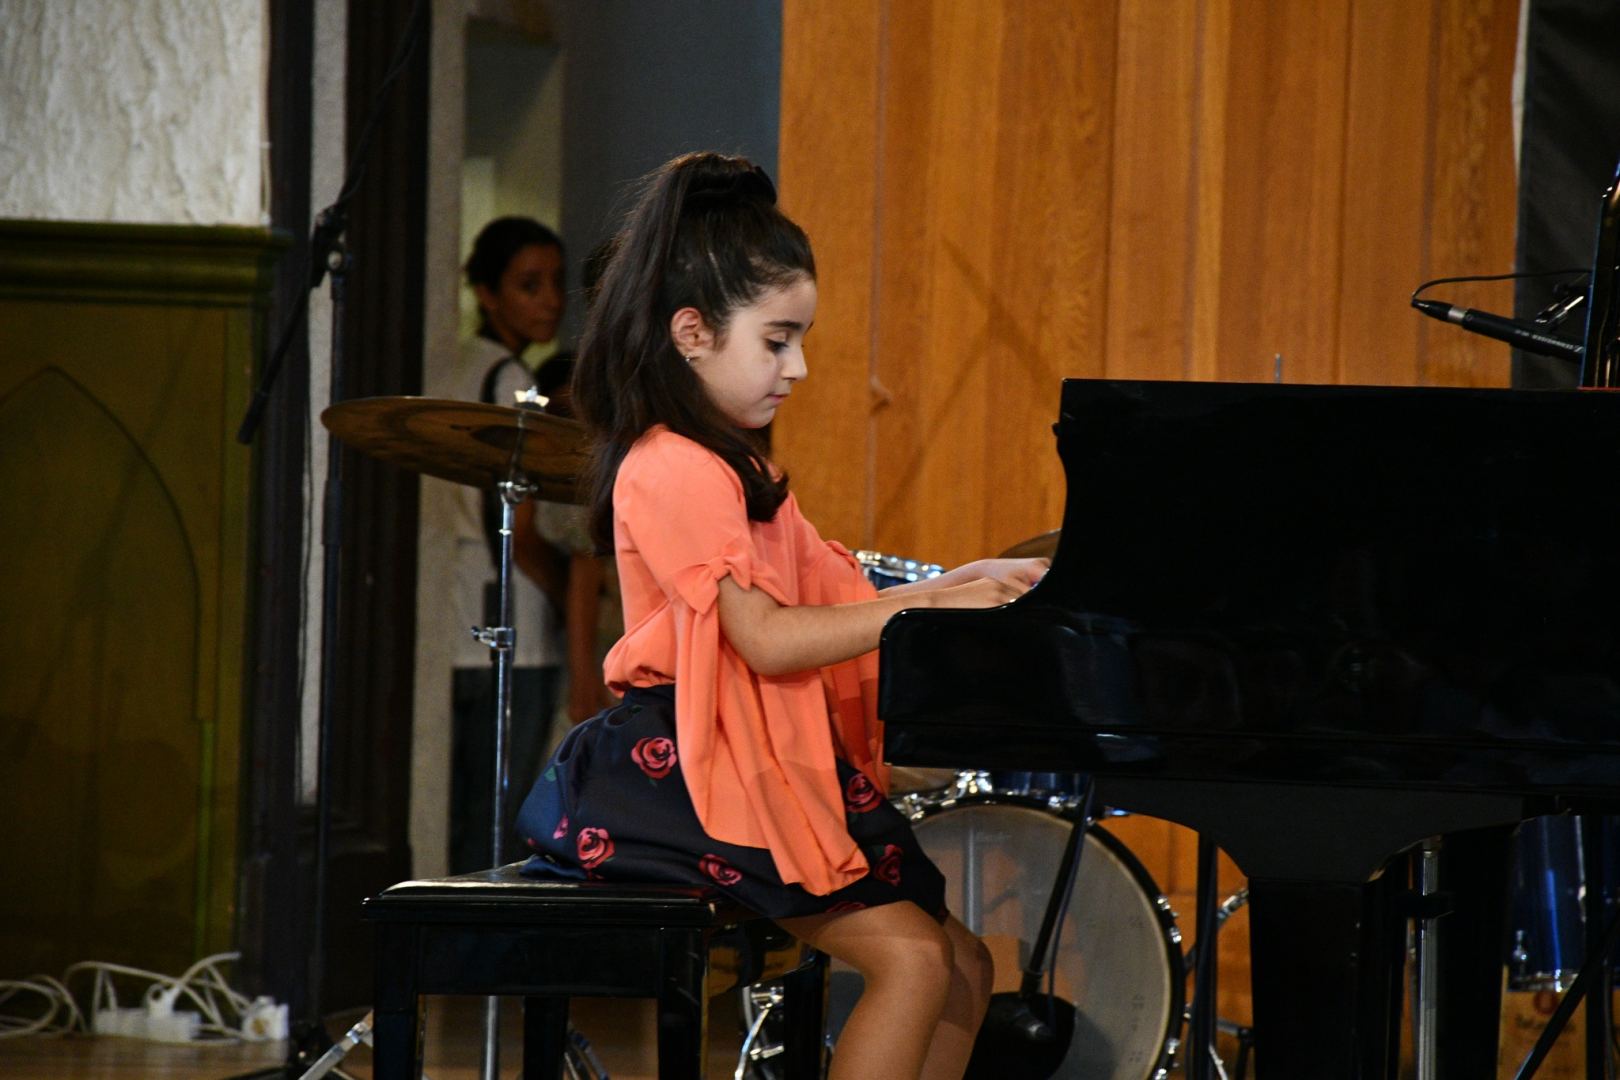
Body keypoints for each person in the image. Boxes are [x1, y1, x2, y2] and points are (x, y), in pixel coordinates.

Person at [514, 152, 1048, 1079]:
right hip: (684, 762)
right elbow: (762, 637)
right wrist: (932, 602)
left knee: (964, 962)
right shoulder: (671, 462)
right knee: (916, 962)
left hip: (751, 741)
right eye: (777, 339)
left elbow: (827, 599)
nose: (798, 367)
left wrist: (977, 573)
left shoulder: (737, 466)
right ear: (691, 332)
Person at [449, 216, 569, 873]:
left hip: (451, 616)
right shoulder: (512, 376)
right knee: (502, 812)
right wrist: (582, 597)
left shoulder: (455, 363)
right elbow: (521, 530)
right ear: (487, 294)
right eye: (529, 285)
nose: (549, 299)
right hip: (509, 617)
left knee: (462, 804)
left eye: (555, 283)